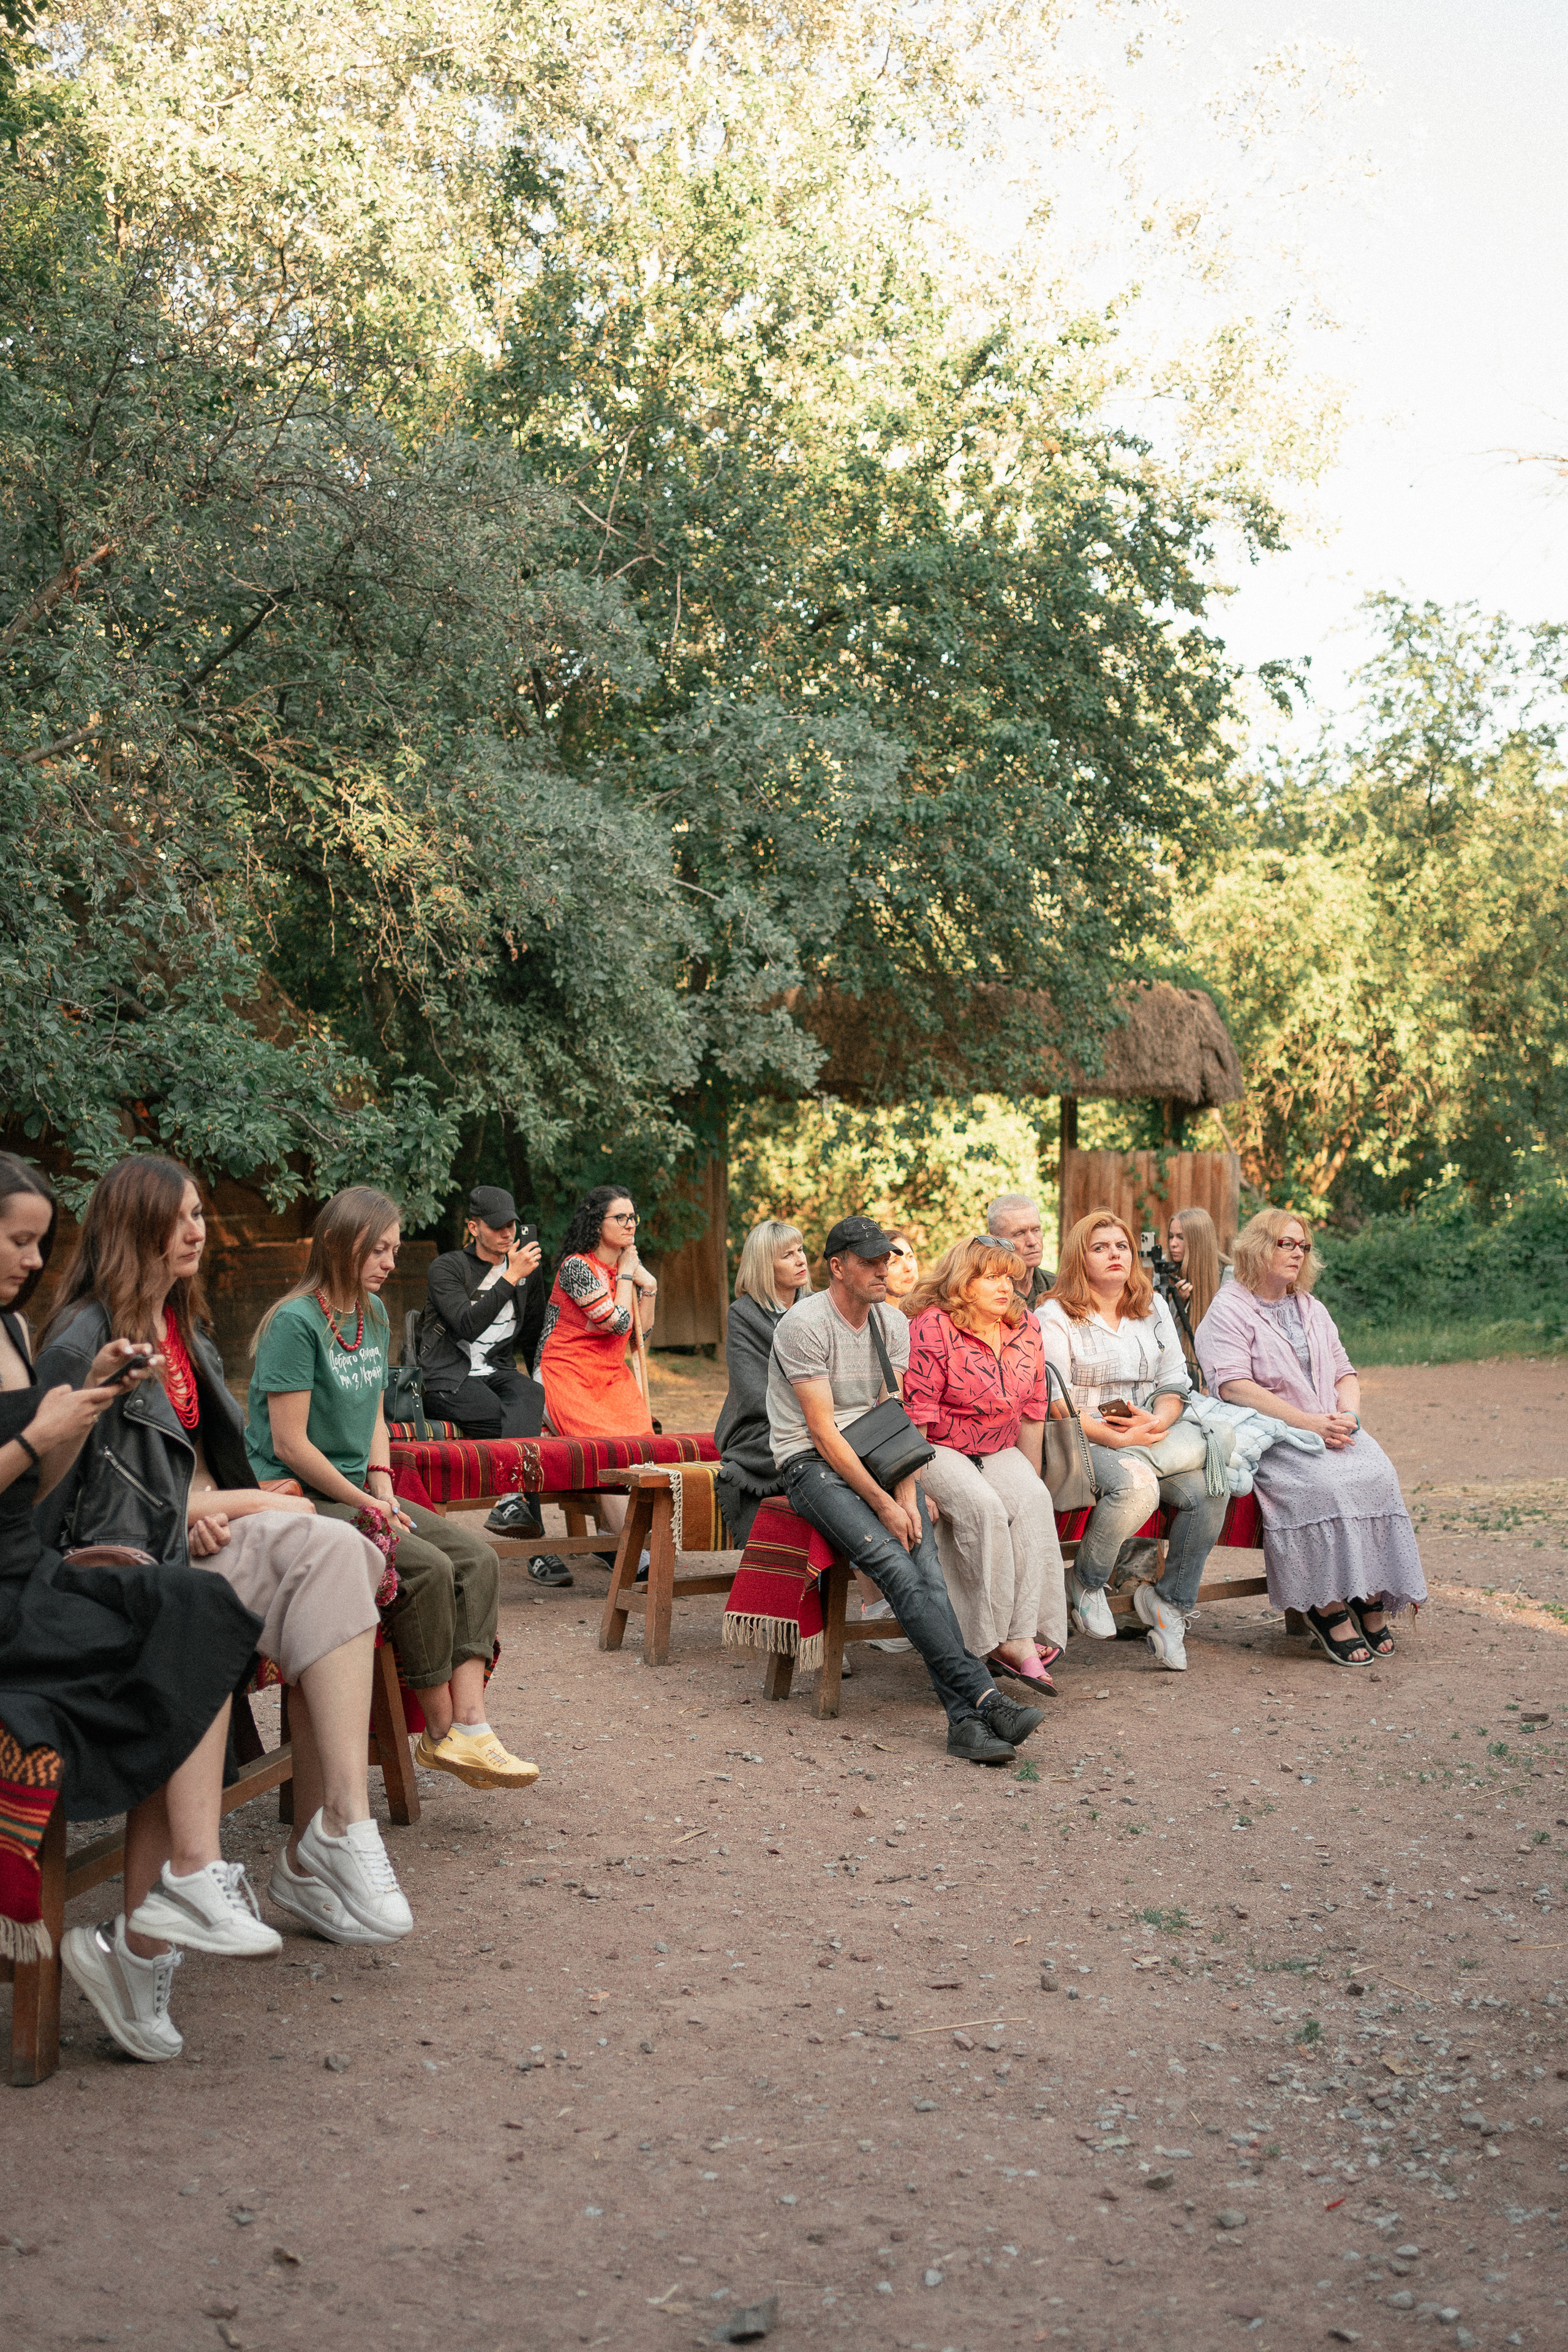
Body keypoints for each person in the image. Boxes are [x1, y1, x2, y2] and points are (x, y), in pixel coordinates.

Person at [34, 1158, 417, 1954]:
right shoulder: (84, 1338)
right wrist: (230, 1504)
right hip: (120, 1573)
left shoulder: (186, 1327)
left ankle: (338, 1830)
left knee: (339, 1553)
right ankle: (195, 1880)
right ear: (132, 1230)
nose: (196, 1230)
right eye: (177, 1219)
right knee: (263, 1563)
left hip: (187, 1540)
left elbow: (186, 1462)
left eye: (201, 1214)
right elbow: (68, 1513)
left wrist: (215, 1499)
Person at [0, 1156, 268, 2064]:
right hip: (15, 1599)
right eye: (19, 1240)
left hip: (32, 1574)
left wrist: (79, 1416)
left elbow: (40, 1489)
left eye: (41, 1241)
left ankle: (187, 1880)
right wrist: (43, 1433)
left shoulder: (14, 1329)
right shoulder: (62, 1329)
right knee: (176, 1615)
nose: (36, 1261)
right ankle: (170, 1906)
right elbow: (38, 1487)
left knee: (195, 1608)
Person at [247, 1186, 538, 1790]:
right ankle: (439, 1736)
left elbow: (374, 1417)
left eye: (393, 1249)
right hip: (296, 1496)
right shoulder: (294, 1324)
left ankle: (472, 1729)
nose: (389, 1262)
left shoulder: (372, 1314)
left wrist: (380, 1485)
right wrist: (368, 1505)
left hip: (357, 1488)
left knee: (477, 1559)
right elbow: (291, 1446)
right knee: (427, 1568)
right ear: (336, 1243)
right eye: (377, 1249)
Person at [766, 1213, 1046, 1766]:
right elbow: (822, 1433)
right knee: (896, 1565)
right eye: (869, 1261)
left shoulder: (892, 1324)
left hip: (877, 1453)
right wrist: (882, 1503)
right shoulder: (804, 1324)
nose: (882, 1269)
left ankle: (964, 1721)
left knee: (929, 1572)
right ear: (837, 1266)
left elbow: (899, 1422)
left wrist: (908, 1488)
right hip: (809, 1462)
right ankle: (984, 1698)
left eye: (885, 1260)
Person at [1196, 1207, 1425, 1665]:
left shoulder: (1310, 1307)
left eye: (1304, 1246)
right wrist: (1308, 1423)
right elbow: (1234, 1386)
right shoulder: (1229, 1309)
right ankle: (1325, 1604)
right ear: (1259, 1247)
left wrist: (1350, 1416)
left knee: (1378, 1472)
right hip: (1273, 1434)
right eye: (1287, 1243)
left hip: (1331, 1426)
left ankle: (1364, 1591)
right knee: (1326, 1486)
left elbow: (1344, 1370)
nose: (1298, 1253)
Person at [1038, 1212, 1229, 1675]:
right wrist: (1116, 1435)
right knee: (1139, 1486)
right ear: (1078, 1258)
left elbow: (1174, 1381)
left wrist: (1156, 1422)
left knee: (1211, 1489)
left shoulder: (1153, 1306)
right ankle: (1085, 1582)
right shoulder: (1054, 1315)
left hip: (1148, 1434)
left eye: (1120, 1246)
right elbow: (1054, 1400)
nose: (1114, 1255)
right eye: (1099, 1247)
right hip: (1082, 1439)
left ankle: (1169, 1606)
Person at [902, 1236, 1067, 1691]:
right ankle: (980, 1643)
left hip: (998, 1445)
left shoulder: (1026, 1326)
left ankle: (1022, 1636)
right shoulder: (932, 1326)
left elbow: (1034, 1409)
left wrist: (1028, 1476)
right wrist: (917, 1487)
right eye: (991, 1277)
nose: (1005, 1287)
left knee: (1033, 1500)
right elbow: (918, 1415)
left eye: (1009, 1278)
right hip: (936, 1446)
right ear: (963, 1280)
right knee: (983, 1509)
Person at [416, 1183, 567, 1580]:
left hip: (497, 1371)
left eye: (512, 1225)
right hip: (449, 1377)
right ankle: (534, 1547)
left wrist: (539, 1371)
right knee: (518, 1427)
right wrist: (510, 1276)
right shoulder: (447, 1268)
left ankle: (510, 1497)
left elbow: (533, 1329)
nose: (507, 1233)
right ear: (473, 1227)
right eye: (497, 1225)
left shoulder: (525, 1271)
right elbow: (465, 1325)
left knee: (531, 1393)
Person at [536, 1183, 658, 1557]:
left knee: (643, 1447)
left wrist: (649, 1288)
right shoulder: (577, 1267)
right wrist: (625, 1276)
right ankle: (631, 1550)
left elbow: (639, 1339)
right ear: (596, 1221)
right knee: (609, 1448)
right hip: (566, 1373)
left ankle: (623, 1543)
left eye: (633, 1218)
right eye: (620, 1217)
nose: (630, 1224)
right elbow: (616, 1323)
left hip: (610, 1376)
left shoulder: (625, 1270)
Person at [714, 1219, 812, 1547]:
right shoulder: (743, 1314)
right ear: (763, 1266)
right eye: (788, 1255)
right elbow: (755, 1394)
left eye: (800, 1251)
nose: (801, 1260)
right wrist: (820, 1412)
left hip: (818, 1422)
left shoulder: (818, 1309)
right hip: (758, 1428)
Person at [1166, 1207, 1230, 1378]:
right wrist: (1177, 1302)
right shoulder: (1166, 1274)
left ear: (1198, 1241)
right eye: (1171, 1237)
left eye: (1181, 1237)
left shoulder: (1228, 1278)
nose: (1173, 1244)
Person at [987, 1194, 1054, 1307]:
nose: (1032, 1242)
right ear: (995, 1241)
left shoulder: (1058, 1289)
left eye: (1036, 1230)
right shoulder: (986, 1293)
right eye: (1019, 1234)